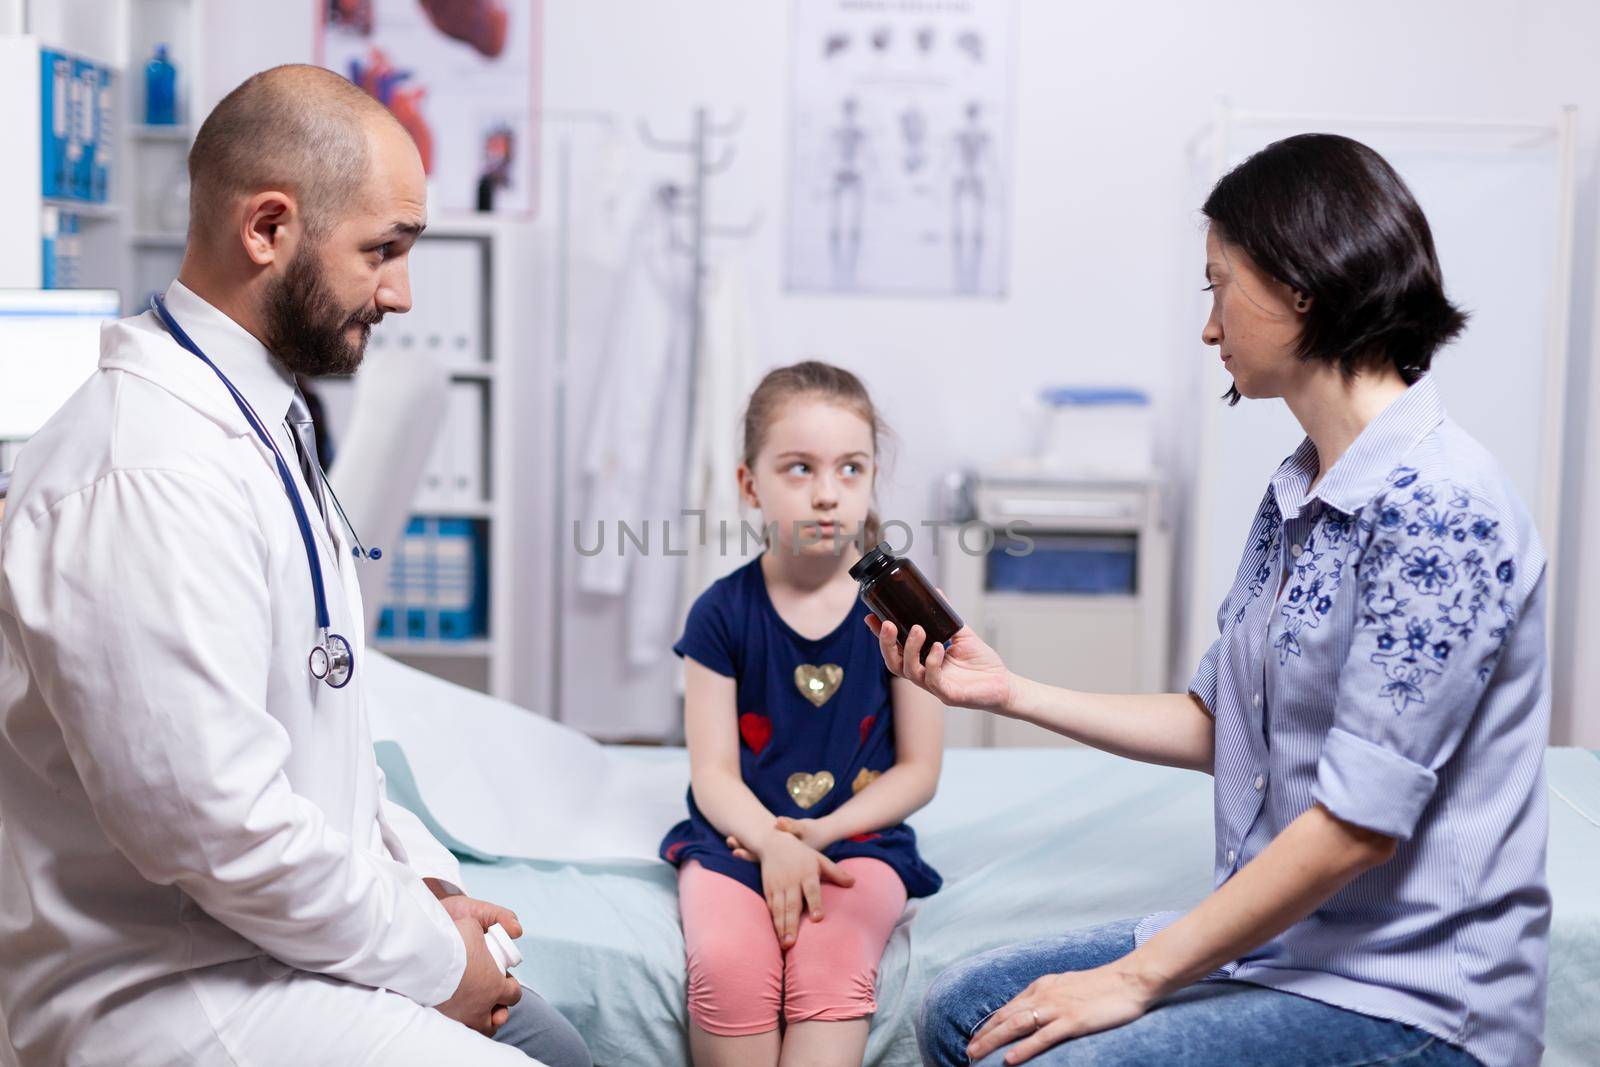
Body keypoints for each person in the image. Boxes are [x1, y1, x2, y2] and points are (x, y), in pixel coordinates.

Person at [892, 135, 1548, 1067]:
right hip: (1290, 949)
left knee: (1061, 1056)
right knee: (961, 1010)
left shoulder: (1440, 507)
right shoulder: (1298, 491)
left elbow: (1355, 825)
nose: (1209, 327)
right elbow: (1224, 725)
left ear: (1300, 285)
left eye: (1218, 285)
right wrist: (1010, 691)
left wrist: (1136, 974)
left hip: (1416, 994)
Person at [0, 65, 588, 1067]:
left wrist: (430, 887)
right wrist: (436, 961)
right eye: (382, 250)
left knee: (563, 1041)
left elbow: (324, 725)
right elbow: (223, 834)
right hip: (172, 987)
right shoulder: (145, 474)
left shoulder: (253, 419)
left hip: (272, 943)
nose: (400, 292)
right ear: (267, 229)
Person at [659, 361, 946, 1067]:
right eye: (799, 469)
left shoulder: (902, 612)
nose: (827, 494)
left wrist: (820, 832)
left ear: (874, 478)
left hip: (859, 842)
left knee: (829, 964)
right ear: (749, 485)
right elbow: (714, 774)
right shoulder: (720, 613)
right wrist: (773, 841)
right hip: (736, 843)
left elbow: (919, 769)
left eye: (851, 469)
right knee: (726, 966)